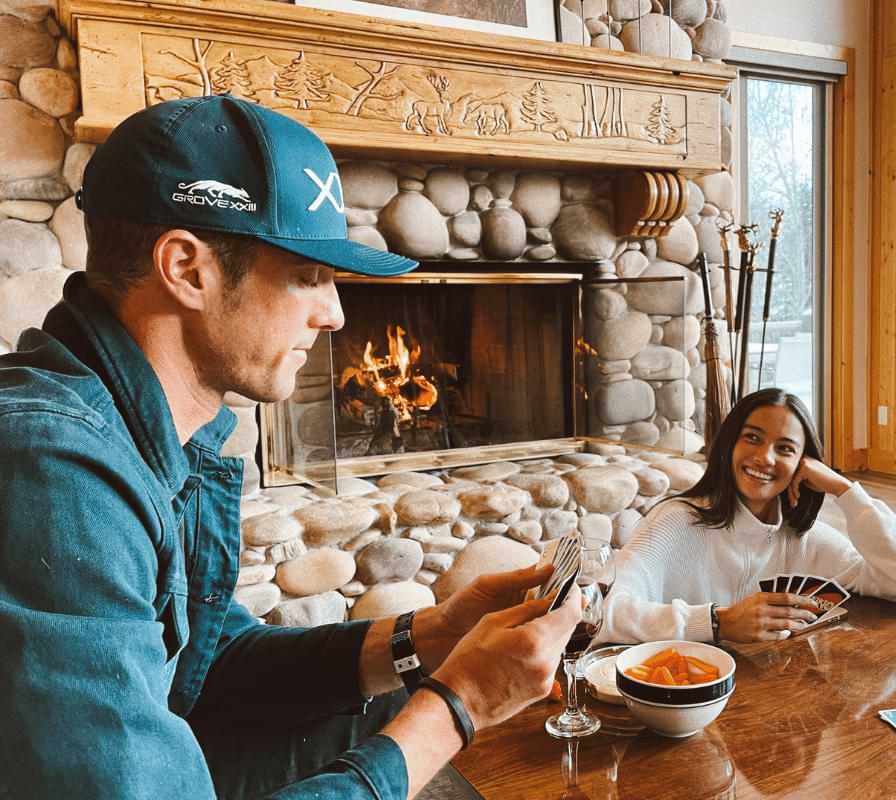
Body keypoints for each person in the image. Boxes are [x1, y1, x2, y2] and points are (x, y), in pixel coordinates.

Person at [0, 95, 581, 800]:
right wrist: (460, 704)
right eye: (308, 275)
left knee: (402, 715)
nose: (334, 312)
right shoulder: (53, 471)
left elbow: (206, 663)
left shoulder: (141, 429)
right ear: (187, 268)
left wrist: (431, 636)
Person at [600, 389, 896, 644]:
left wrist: (844, 490)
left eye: (785, 448)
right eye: (752, 438)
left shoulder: (807, 539)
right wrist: (716, 622)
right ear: (729, 444)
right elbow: (604, 614)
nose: (765, 457)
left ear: (804, 465)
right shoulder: (675, 520)